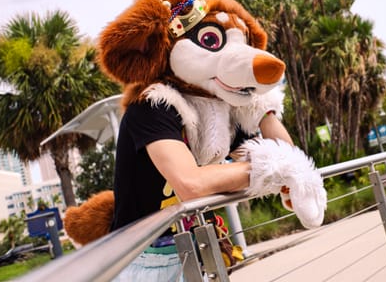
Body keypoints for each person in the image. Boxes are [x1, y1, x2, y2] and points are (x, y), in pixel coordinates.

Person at [110, 96, 293, 281]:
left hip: (191, 249)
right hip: (143, 257)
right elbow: (192, 185)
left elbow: (289, 162)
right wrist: (268, 166)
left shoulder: (214, 112)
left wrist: (263, 110)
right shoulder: (151, 106)